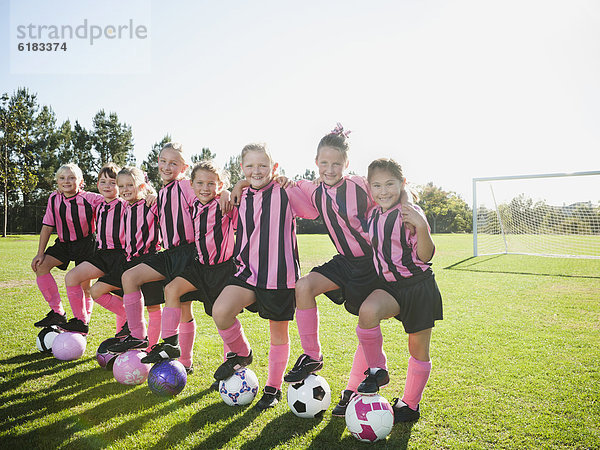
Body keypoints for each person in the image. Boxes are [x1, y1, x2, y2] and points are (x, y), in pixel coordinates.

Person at [283, 123, 409, 417]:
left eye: (336, 163)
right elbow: (292, 186)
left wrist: (409, 206)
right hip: (344, 261)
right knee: (304, 286)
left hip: (373, 264)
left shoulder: (359, 184)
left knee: (365, 325)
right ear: (316, 162)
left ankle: (358, 385)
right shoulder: (313, 190)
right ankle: (312, 356)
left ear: (346, 164)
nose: (330, 168)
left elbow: (393, 190)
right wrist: (283, 182)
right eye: (324, 163)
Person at [211, 143, 318, 410]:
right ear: (242, 168)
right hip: (246, 271)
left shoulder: (284, 191)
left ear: (274, 167)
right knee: (221, 311)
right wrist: (232, 187)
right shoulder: (240, 195)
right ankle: (242, 354)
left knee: (278, 334)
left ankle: (273, 388)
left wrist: (292, 185)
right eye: (250, 166)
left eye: (262, 165)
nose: (256, 171)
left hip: (279, 276)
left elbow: (312, 212)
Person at [358, 157, 442, 423]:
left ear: (402, 183)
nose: (384, 191)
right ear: (370, 189)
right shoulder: (372, 214)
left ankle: (410, 405)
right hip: (391, 287)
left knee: (417, 349)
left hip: (418, 287)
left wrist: (420, 225)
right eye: (377, 186)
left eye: (390, 184)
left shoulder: (410, 213)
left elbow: (426, 256)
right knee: (367, 311)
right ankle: (377, 370)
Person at [142, 160, 237, 376]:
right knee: (171, 290)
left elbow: (241, 219)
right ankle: (170, 343)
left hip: (222, 270)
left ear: (219, 185)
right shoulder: (194, 205)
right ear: (191, 185)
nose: (205, 188)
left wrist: (228, 193)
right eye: (200, 183)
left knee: (223, 318)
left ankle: (231, 364)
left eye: (211, 184)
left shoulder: (225, 206)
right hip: (199, 266)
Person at [91, 166, 164, 348]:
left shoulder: (151, 204)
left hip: (149, 260)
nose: (124, 190)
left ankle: (149, 348)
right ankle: (131, 323)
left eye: (130, 185)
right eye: (121, 185)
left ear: (141, 186)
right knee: (96, 290)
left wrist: (155, 196)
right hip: (128, 261)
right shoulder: (123, 206)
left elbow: (169, 207)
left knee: (153, 307)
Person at [31, 163, 103, 328]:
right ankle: (58, 313)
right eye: (62, 178)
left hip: (86, 244)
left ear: (81, 181)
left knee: (85, 286)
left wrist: (146, 193)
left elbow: (114, 198)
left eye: (72, 178)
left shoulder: (91, 198)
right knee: (40, 266)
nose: (67, 181)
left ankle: (83, 321)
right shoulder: (54, 198)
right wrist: (40, 253)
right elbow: (48, 226)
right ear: (57, 182)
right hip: (64, 243)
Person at [60, 163, 125, 334]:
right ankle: (81, 321)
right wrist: (62, 191)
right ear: (97, 185)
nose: (108, 186)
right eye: (103, 182)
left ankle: (126, 329)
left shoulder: (126, 205)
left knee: (120, 296)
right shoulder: (98, 203)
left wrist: (150, 193)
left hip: (121, 256)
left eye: (113, 182)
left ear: (120, 185)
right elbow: (76, 194)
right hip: (102, 255)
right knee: (72, 277)